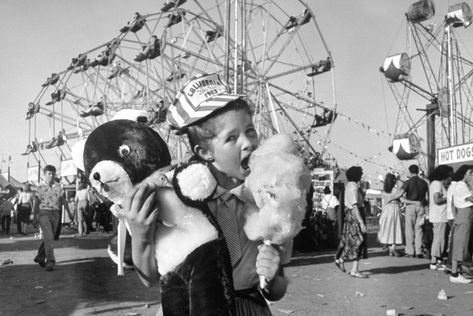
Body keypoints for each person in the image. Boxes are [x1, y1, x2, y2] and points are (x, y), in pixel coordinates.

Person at [125, 73, 290, 315]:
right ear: (204, 152)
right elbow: (149, 277)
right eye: (231, 138)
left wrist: (274, 275)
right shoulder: (176, 201)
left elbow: (276, 291)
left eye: (250, 130)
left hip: (249, 308)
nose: (248, 143)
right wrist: (140, 234)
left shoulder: (269, 201)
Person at [31, 165, 71, 271]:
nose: (51, 175)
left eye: (53, 173)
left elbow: (63, 201)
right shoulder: (39, 187)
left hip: (56, 214)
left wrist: (69, 213)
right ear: (44, 175)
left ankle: (40, 256)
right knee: (49, 237)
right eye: (49, 173)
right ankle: (50, 261)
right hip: (43, 213)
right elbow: (36, 202)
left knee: (50, 238)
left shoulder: (59, 187)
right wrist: (34, 215)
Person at [334, 166, 369, 278]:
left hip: (349, 216)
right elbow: (355, 206)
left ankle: (341, 259)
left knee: (350, 240)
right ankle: (354, 269)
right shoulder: (353, 187)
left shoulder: (349, 186)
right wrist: (361, 223)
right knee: (359, 241)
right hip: (355, 216)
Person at [398, 164, 429, 258]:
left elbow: (400, 194)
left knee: (409, 229)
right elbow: (427, 198)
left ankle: (410, 251)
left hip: (410, 206)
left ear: (409, 171)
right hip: (421, 206)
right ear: (418, 171)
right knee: (419, 229)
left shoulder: (407, 182)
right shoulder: (424, 183)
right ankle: (419, 251)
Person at [449, 165, 473, 284]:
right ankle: (455, 274)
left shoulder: (461, 186)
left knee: (461, 243)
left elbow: (453, 203)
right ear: (465, 174)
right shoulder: (462, 186)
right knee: (461, 244)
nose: (471, 175)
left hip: (462, 215)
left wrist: (455, 217)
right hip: (465, 215)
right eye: (470, 173)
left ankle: (456, 272)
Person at [427, 165, 451, 270]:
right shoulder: (437, 184)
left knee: (440, 238)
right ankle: (433, 261)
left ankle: (438, 260)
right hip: (439, 215)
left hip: (440, 215)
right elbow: (437, 200)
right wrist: (449, 197)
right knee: (439, 239)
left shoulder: (437, 183)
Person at [378, 173, 403, 256]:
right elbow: (401, 196)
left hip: (386, 210)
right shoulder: (396, 190)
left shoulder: (384, 191)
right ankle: (393, 247)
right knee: (395, 228)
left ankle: (389, 247)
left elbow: (383, 202)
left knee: (388, 228)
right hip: (394, 209)